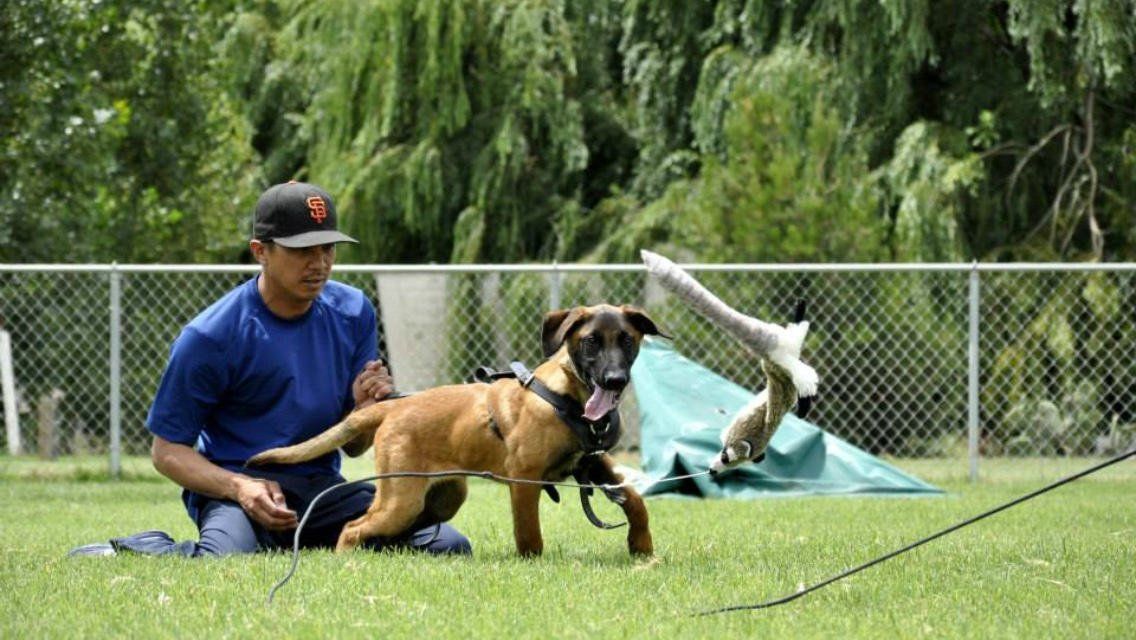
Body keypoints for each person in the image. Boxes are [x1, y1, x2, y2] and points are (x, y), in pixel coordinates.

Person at [70, 181, 471, 557]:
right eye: (302, 250)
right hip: (236, 490)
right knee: (223, 559)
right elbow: (167, 452)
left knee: (446, 544)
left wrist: (362, 413)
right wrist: (240, 487)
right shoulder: (211, 335)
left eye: (328, 248)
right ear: (260, 250)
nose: (319, 263)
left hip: (321, 491)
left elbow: (352, 446)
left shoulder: (353, 311)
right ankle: (138, 548)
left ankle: (304, 536)